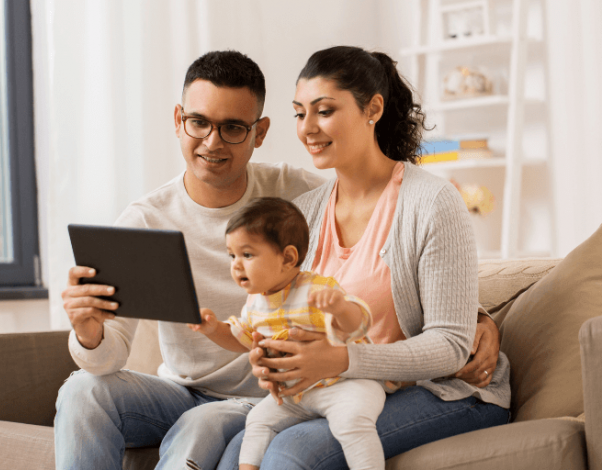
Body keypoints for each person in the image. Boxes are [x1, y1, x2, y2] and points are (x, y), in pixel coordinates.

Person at [218, 46, 511, 469]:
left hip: (449, 391)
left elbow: (450, 344)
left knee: (293, 452)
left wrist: (342, 359)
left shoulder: (432, 201)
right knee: (236, 452)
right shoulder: (306, 211)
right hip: (341, 387)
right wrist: (276, 361)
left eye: (324, 111)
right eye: (300, 113)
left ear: (373, 108)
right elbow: (289, 310)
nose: (307, 128)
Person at [55, 50, 326, 470]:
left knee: (200, 424)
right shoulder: (146, 220)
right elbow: (107, 360)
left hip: (265, 398)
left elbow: (386, 231)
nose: (212, 142)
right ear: (179, 119)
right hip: (178, 392)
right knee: (81, 391)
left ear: (260, 132)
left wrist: (470, 316)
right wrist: (89, 333)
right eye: (198, 122)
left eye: (233, 127)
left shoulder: (300, 194)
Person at [190, 197, 393, 470]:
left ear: (288, 258)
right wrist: (213, 329)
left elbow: (358, 325)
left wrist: (341, 307)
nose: (236, 265)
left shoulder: (316, 290)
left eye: (247, 255)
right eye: (232, 255)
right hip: (296, 395)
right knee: (258, 421)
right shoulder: (255, 302)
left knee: (352, 422)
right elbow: (241, 339)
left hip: (346, 384)